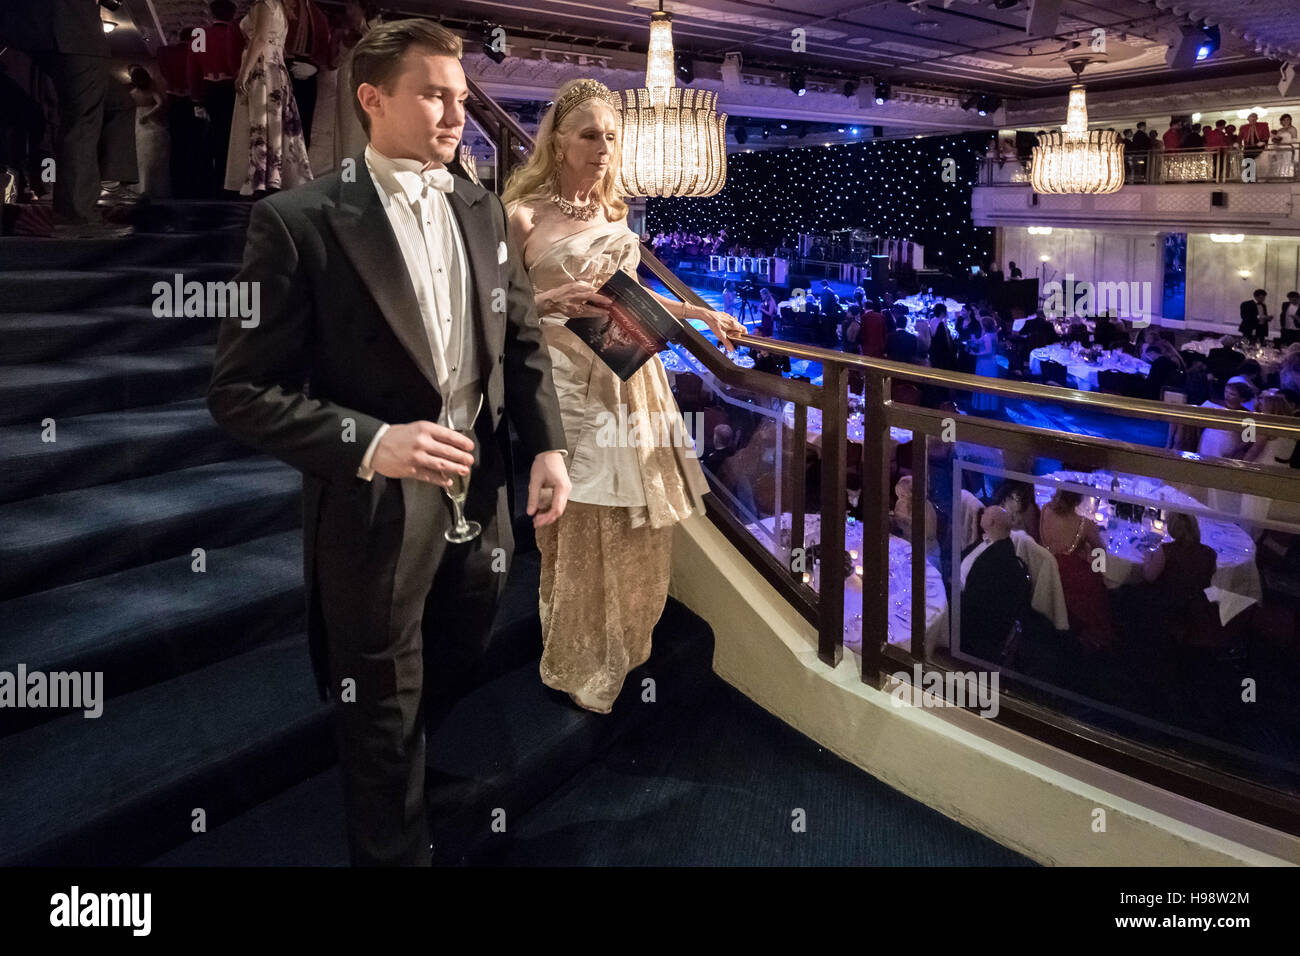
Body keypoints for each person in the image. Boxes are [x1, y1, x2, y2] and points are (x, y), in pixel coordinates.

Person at [206, 19, 572, 867]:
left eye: (461, 94)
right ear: (372, 99)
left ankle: (405, 771)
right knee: (376, 690)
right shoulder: (297, 222)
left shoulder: (482, 207)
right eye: (434, 94)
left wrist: (545, 445)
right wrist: (371, 441)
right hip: (372, 503)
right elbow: (237, 392)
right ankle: (391, 839)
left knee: (456, 651)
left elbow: (520, 342)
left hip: (479, 497)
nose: (457, 112)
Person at [503, 77, 743, 716]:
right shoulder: (521, 214)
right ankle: (575, 656)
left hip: (624, 374)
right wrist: (545, 302)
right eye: (589, 135)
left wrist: (697, 311)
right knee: (577, 518)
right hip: (558, 379)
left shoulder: (615, 212)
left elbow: (625, 295)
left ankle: (624, 645)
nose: (603, 148)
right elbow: (491, 305)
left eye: (611, 136)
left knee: (631, 521)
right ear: (557, 139)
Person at [0, 0, 136, 236]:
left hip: (33, 30)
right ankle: (76, 216)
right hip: (71, 29)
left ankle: (109, 187)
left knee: (118, 103)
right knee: (81, 120)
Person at [224, 0, 313, 196]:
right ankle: (273, 176)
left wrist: (244, 72)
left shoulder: (265, 3)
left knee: (260, 120)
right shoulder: (279, 6)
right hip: (274, 65)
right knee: (272, 121)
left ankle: (261, 178)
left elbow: (260, 38)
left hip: (262, 65)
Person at [1039, 489, 1115, 651]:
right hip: (1070, 575)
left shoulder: (1045, 509)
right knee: (1095, 587)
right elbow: (1100, 549)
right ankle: (1091, 635)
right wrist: (1099, 573)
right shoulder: (1083, 521)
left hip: (1046, 567)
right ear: (1077, 501)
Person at [960, 507, 1032, 663]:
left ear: (992, 522)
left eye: (985, 513)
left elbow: (979, 604)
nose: (981, 512)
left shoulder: (1001, 561)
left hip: (968, 623)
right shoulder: (987, 541)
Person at [1138, 513, 1221, 647]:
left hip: (1170, 604)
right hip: (1199, 606)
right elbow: (1208, 578)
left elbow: (1149, 576)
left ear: (1172, 528)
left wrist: (1148, 556)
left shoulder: (1166, 551)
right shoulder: (1210, 553)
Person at [191, 0, 246, 196]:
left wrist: (196, 98)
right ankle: (228, 182)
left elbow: (193, 67)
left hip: (210, 88)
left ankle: (209, 183)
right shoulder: (238, 34)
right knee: (231, 136)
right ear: (233, 14)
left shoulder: (201, 34)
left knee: (212, 135)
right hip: (232, 88)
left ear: (211, 13)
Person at [127, 65, 170, 199]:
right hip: (148, 124)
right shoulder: (151, 92)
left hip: (139, 124)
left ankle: (141, 187)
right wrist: (149, 115)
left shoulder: (133, 94)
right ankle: (150, 187)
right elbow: (160, 103)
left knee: (143, 158)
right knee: (150, 158)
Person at [970, 315, 1000, 411]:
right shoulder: (993, 334)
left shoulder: (987, 336)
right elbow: (981, 342)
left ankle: (982, 406)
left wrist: (976, 353)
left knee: (982, 382)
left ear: (984, 325)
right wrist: (974, 339)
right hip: (992, 362)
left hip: (985, 363)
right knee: (989, 383)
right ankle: (990, 406)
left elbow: (988, 351)